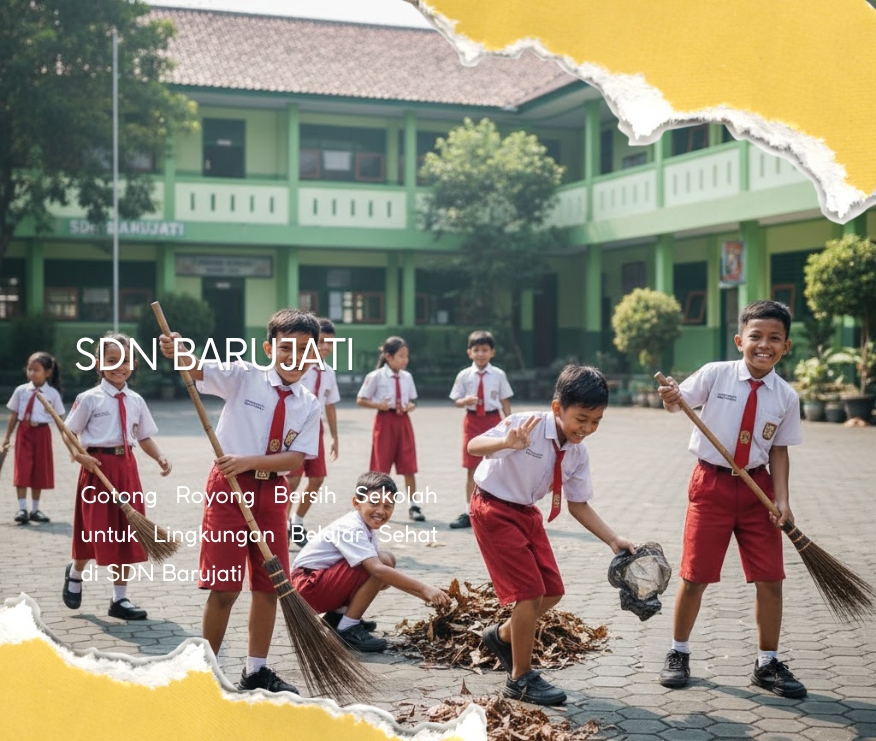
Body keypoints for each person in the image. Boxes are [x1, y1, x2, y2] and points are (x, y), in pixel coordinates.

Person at [159, 309, 320, 695]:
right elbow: (195, 368)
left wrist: (250, 461)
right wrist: (176, 349)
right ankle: (206, 671)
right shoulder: (245, 376)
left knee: (269, 586)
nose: (295, 357)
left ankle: (256, 671)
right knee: (226, 587)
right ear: (269, 348)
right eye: (286, 348)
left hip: (273, 493)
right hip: (229, 488)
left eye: (304, 349)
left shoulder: (308, 402)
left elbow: (296, 460)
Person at [656, 299, 806, 699]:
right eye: (756, 336)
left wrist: (783, 500)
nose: (764, 344)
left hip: (759, 492)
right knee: (695, 576)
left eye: (775, 338)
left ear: (786, 346)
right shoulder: (716, 374)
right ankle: (678, 652)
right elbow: (676, 402)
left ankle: (767, 662)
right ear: (740, 339)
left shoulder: (786, 397)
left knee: (771, 579)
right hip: (712, 486)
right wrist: (670, 394)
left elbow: (779, 450)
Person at [468, 364, 635, 706]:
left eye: (596, 422)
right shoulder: (525, 425)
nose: (587, 429)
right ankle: (520, 678)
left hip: (527, 514)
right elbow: (474, 445)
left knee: (552, 591)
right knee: (528, 594)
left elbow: (579, 506)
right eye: (582, 419)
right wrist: (505, 441)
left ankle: (501, 637)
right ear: (558, 408)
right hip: (493, 509)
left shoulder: (577, 452)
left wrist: (613, 539)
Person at [62, 333, 172, 620]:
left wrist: (159, 456)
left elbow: (144, 436)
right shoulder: (88, 399)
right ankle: (75, 572)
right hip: (97, 469)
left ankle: (119, 600)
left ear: (133, 363)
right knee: (94, 529)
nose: (118, 366)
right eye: (112, 360)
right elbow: (68, 430)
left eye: (124, 361)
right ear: (99, 363)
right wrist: (79, 455)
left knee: (126, 531)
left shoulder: (136, 400)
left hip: (127, 469)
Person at [291, 471, 451, 652]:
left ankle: (338, 618)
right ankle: (348, 628)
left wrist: (425, 595)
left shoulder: (365, 529)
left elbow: (383, 574)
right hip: (308, 588)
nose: (381, 511)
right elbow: (377, 570)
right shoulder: (351, 527)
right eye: (374, 503)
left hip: (318, 585)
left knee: (386, 559)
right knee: (381, 563)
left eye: (388, 506)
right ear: (356, 502)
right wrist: (424, 588)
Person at [448, 330, 513, 529]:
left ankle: (496, 511)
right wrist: (464, 401)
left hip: (493, 420)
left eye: (485, 350)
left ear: (492, 352)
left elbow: (504, 400)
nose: (481, 354)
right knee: (471, 467)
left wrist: (509, 422)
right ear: (469, 352)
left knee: (497, 466)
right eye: (476, 350)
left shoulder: (498, 375)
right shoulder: (464, 375)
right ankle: (470, 511)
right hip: (472, 421)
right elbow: (456, 401)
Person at [356, 336, 424, 521]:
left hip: (403, 422)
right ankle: (374, 505)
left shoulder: (407, 377)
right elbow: (361, 399)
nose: (405, 360)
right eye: (401, 356)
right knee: (380, 467)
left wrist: (411, 406)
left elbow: (413, 400)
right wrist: (379, 406)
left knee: (409, 465)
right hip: (384, 422)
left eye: (406, 356)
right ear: (388, 356)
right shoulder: (375, 376)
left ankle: (414, 505)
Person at [287, 318, 341, 547]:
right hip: (293, 427)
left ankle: (296, 522)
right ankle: (280, 524)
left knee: (317, 478)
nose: (326, 347)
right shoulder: (297, 367)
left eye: (330, 343)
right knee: (292, 480)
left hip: (315, 428)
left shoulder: (328, 371)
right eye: (321, 342)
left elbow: (329, 404)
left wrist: (335, 437)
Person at [4, 352, 64, 524]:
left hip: (42, 434)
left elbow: (60, 421)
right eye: (29, 369)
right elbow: (14, 415)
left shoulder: (52, 394)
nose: (31, 373)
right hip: (24, 433)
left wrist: (69, 443)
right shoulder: (21, 391)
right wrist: (7, 438)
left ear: (48, 372)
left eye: (36, 370)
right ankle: (22, 508)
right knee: (22, 469)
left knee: (39, 469)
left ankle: (35, 509)